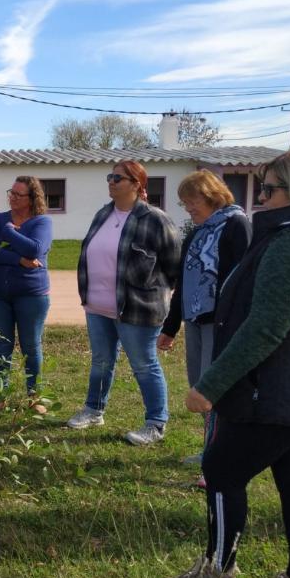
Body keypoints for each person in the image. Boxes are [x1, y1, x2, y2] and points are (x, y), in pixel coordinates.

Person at [162, 148, 290, 578]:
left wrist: (211, 383)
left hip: (278, 387)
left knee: (221, 471)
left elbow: (267, 327)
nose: (259, 198)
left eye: (268, 189)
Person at [67, 160, 180, 445]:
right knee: (101, 362)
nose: (112, 182)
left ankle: (156, 423)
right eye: (110, 177)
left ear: (137, 184)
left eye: (118, 178)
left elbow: (173, 267)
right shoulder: (103, 214)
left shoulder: (155, 219)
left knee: (144, 364)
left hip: (137, 309)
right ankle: (94, 410)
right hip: (98, 306)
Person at [157, 171, 251, 483]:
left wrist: (233, 324)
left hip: (222, 323)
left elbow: (242, 280)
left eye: (191, 201)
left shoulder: (236, 225)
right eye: (184, 203)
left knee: (216, 389)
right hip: (196, 320)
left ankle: (221, 456)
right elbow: (184, 281)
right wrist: (171, 327)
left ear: (210, 194)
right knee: (200, 385)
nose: (188, 208)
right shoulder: (198, 231)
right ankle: (212, 447)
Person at [0, 176, 52, 394]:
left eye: (18, 195)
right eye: (11, 193)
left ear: (32, 199)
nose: (12, 198)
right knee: (1, 344)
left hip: (31, 295)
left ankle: (34, 395)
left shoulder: (42, 222)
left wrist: (10, 232)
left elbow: (35, 249)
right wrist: (18, 259)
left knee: (30, 346)